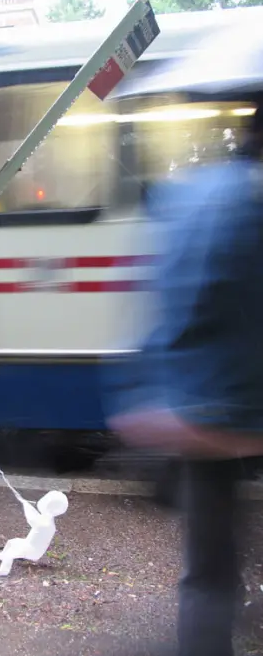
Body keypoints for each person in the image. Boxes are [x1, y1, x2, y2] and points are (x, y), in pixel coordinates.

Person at [106, 102, 263, 656]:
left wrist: (149, 389)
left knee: (209, 569)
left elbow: (166, 298)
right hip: (236, 406)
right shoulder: (248, 206)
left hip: (197, 408)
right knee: (214, 568)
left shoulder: (194, 191)